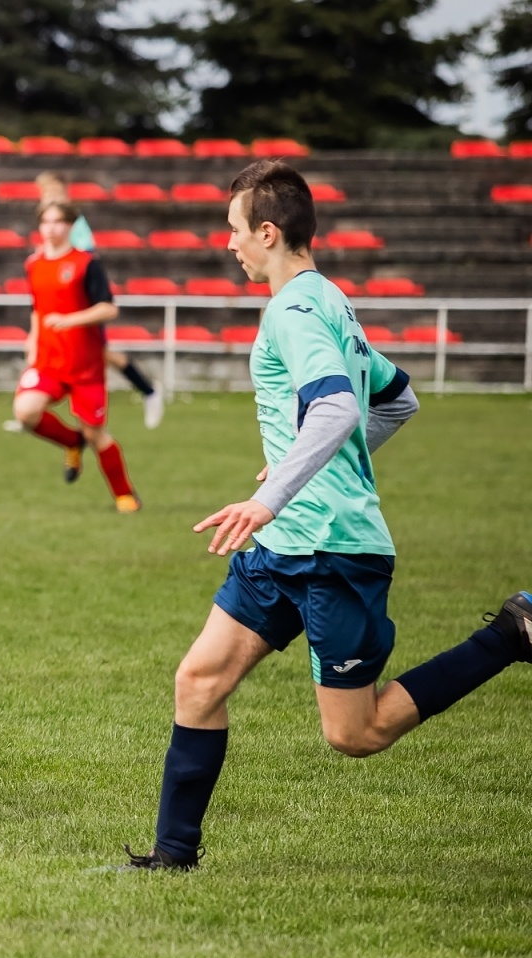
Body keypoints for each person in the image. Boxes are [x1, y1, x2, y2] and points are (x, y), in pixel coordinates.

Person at [120, 160, 530, 872]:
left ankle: (511, 633)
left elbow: (340, 406)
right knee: (199, 681)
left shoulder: (297, 310)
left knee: (357, 733)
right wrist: (297, 474)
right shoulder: (329, 300)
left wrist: (271, 492)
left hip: (334, 550)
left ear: (269, 232)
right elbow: (397, 400)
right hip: (284, 544)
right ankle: (172, 856)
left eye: (235, 231)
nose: (229, 245)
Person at [14, 200, 140, 513]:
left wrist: (69, 320)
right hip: (48, 360)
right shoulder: (33, 264)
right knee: (25, 411)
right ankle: (71, 442)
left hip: (85, 364)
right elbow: (37, 307)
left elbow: (109, 308)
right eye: (46, 222)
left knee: (95, 433)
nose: (51, 228)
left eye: (58, 222)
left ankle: (124, 495)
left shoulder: (86, 264)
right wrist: (32, 341)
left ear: (71, 226)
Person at [35, 171, 163, 428]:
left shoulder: (74, 223)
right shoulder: (51, 221)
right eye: (43, 192)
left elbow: (84, 258)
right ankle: (32, 408)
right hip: (66, 302)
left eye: (50, 191)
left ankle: (149, 391)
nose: (45, 196)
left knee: (100, 353)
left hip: (81, 302)